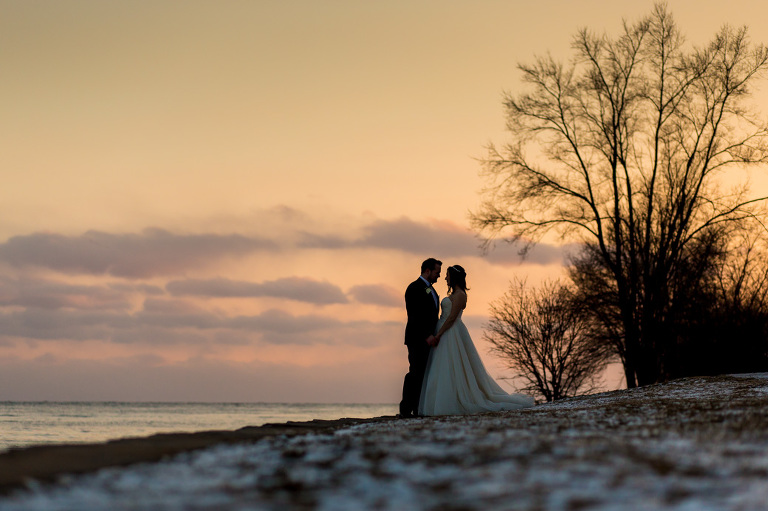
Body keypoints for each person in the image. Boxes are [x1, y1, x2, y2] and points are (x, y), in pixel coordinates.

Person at [419, 264, 535, 416]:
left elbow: (452, 318)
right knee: (441, 368)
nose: (445, 278)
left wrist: (439, 334)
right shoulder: (454, 293)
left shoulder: (460, 295)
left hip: (451, 333)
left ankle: (455, 400)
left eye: (447, 275)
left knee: (453, 366)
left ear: (454, 277)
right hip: (444, 331)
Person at [399, 257, 442, 418]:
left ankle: (418, 408)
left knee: (423, 373)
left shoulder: (431, 290)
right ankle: (405, 409)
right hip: (417, 338)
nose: (438, 276)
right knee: (415, 373)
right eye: (437, 272)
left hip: (430, 339)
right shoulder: (414, 288)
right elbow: (415, 315)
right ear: (427, 270)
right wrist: (427, 335)